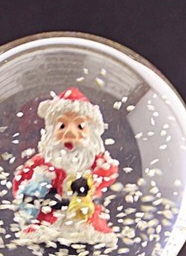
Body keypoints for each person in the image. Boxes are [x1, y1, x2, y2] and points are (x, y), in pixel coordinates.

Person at [13, 88, 118, 246]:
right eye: (62, 126)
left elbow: (109, 172)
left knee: (87, 244)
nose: (70, 133)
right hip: (50, 219)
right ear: (51, 130)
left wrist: (89, 183)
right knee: (48, 246)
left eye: (80, 126)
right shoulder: (43, 161)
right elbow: (21, 180)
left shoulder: (96, 161)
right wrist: (32, 188)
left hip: (86, 218)